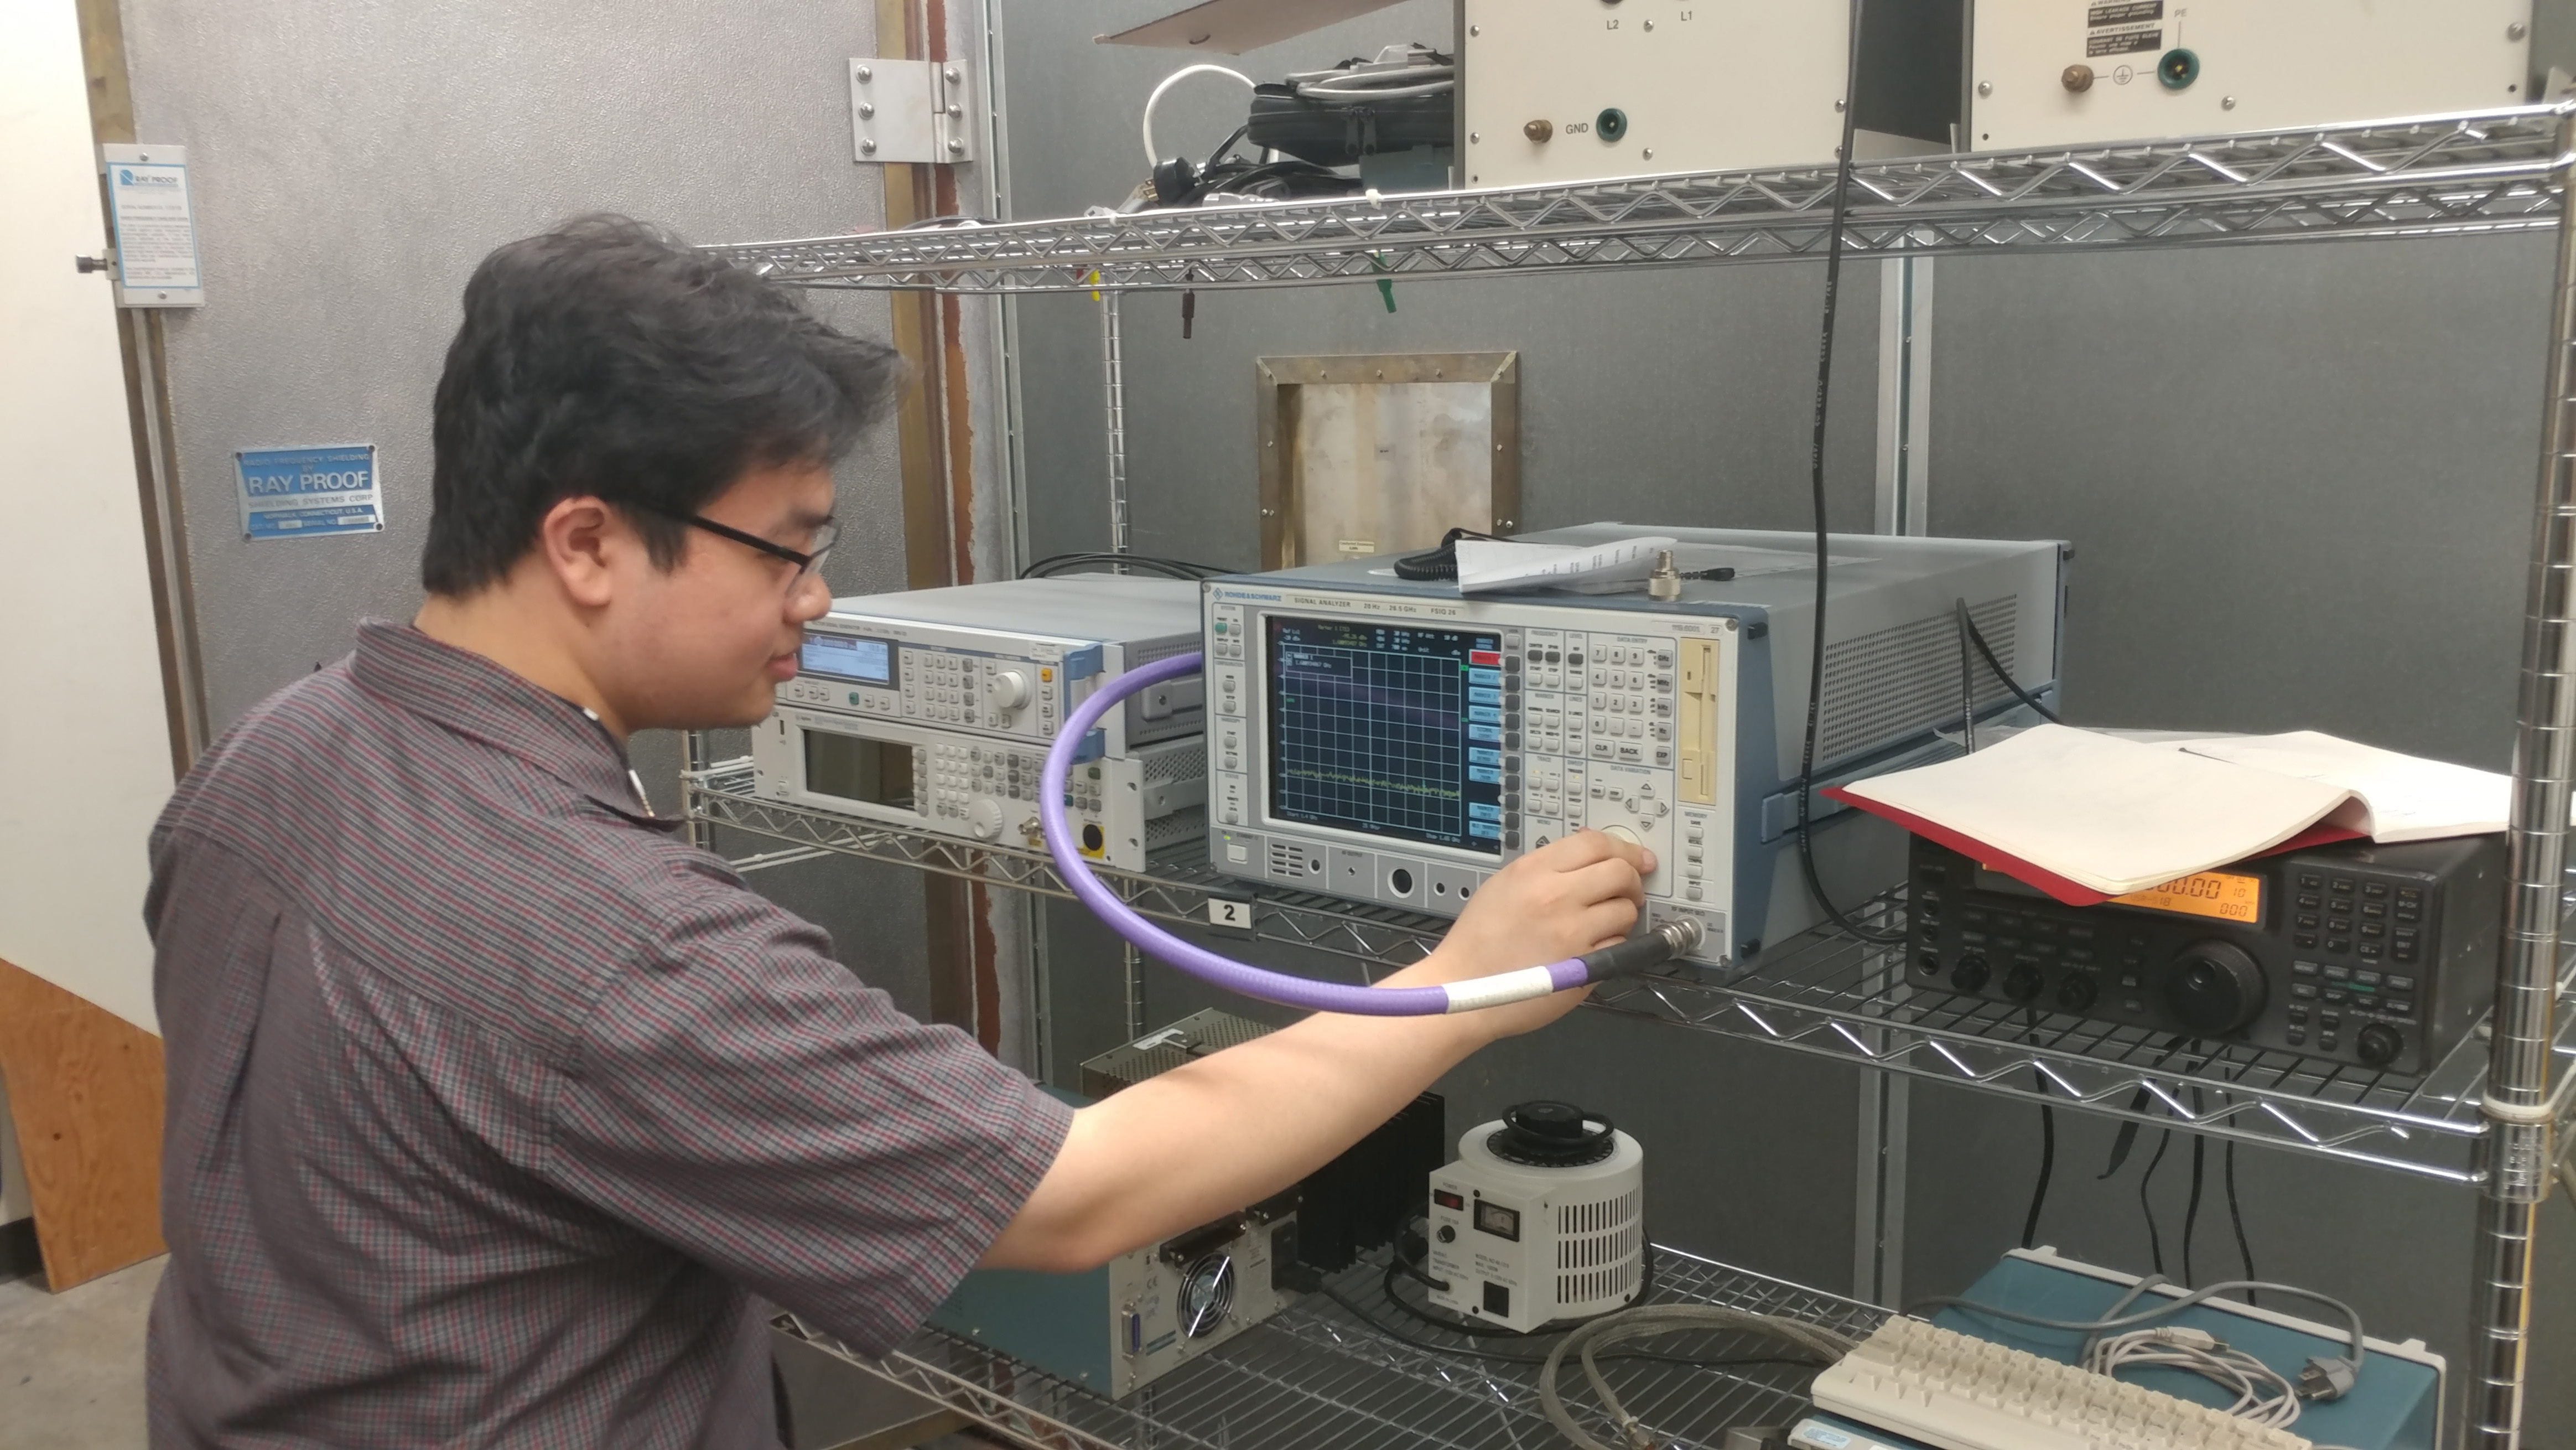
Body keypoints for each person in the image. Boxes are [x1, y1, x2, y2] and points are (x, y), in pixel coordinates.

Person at [144, 214, 1650, 1448]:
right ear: (588, 542)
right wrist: (1469, 975)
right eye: (789, 547)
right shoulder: (621, 939)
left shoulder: (268, 755)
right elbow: (1084, 1190)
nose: (815, 599)